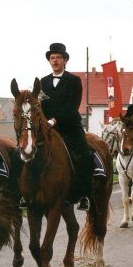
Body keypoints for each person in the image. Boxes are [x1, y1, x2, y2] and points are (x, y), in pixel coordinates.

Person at [40, 43, 92, 211]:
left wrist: (54, 120)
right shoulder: (43, 81)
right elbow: (40, 106)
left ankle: (83, 195)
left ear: (65, 60)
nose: (54, 61)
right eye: (52, 58)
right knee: (29, 151)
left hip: (69, 126)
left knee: (84, 154)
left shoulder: (74, 80)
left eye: (58, 58)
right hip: (47, 127)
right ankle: (28, 193)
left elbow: (72, 106)